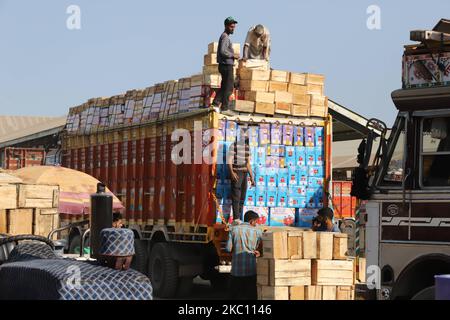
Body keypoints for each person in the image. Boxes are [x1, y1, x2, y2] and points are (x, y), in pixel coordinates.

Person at [226, 210, 263, 300]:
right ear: (251, 221)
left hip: (236, 272)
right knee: (251, 296)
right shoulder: (257, 231)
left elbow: (228, 249)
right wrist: (258, 252)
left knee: (234, 296)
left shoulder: (233, 230)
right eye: (256, 222)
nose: (256, 224)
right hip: (251, 271)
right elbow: (260, 247)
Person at [211, 17, 240, 115]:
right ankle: (225, 108)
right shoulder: (225, 37)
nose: (233, 28)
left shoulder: (225, 37)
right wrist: (233, 55)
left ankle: (215, 103)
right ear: (226, 26)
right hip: (226, 65)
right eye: (231, 27)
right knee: (229, 87)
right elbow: (223, 51)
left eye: (234, 27)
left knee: (224, 86)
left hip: (225, 65)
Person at [227, 131, 255, 223]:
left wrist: (252, 177)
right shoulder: (233, 146)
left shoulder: (247, 147)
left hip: (244, 173)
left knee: (242, 197)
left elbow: (248, 164)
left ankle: (240, 218)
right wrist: (232, 172)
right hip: (237, 172)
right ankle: (236, 219)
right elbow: (229, 160)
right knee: (236, 197)